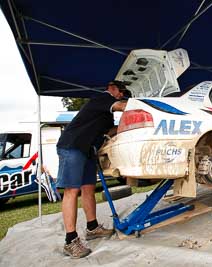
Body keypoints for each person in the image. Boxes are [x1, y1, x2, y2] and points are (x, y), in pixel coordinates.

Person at [56, 80, 131, 258]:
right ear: (112, 88)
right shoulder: (101, 98)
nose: (122, 95)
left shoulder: (106, 113)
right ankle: (70, 240)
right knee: (72, 191)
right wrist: (143, 105)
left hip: (88, 150)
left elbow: (110, 130)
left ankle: (92, 227)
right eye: (121, 91)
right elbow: (121, 106)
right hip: (72, 146)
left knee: (88, 189)